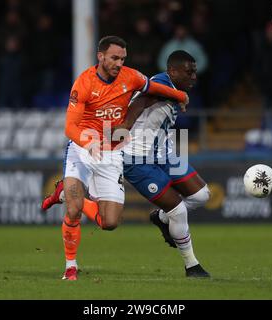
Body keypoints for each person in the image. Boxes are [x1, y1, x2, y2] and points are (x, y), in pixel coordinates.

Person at [42, 36, 189, 280]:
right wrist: (89, 143)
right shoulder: (84, 83)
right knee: (75, 209)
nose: (119, 63)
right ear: (100, 56)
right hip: (82, 150)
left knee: (109, 222)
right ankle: (70, 267)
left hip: (111, 153)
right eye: (114, 58)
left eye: (122, 58)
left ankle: (62, 192)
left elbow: (153, 88)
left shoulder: (130, 77)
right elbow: (70, 127)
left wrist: (180, 95)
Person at [119, 50, 211, 278]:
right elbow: (140, 102)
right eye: (189, 72)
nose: (193, 77)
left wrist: (179, 97)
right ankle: (192, 266)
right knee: (178, 210)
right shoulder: (160, 84)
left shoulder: (174, 90)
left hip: (163, 152)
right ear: (172, 71)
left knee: (201, 196)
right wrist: (120, 135)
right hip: (137, 158)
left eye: (195, 72)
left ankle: (160, 217)